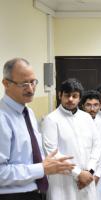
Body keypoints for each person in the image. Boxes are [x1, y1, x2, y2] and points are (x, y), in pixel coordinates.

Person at [0, 58, 75, 200]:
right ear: (6, 84)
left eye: (33, 82)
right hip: (13, 195)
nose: (30, 89)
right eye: (23, 84)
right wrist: (41, 169)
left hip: (36, 192)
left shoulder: (28, 112)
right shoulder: (2, 118)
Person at [42, 78, 101, 200]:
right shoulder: (51, 120)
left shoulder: (86, 118)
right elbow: (52, 153)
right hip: (63, 183)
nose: (70, 99)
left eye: (75, 96)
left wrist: (89, 172)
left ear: (80, 98)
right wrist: (78, 174)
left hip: (86, 180)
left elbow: (97, 146)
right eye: (67, 95)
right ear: (60, 95)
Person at [81, 90, 101, 187]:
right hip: (80, 172)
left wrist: (97, 174)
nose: (92, 109)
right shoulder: (77, 123)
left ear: (100, 106)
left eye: (96, 105)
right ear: (83, 106)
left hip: (95, 172)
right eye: (88, 105)